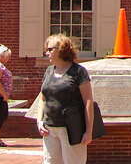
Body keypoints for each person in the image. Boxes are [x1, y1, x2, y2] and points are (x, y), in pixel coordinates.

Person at [37, 34, 93, 164]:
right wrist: (39, 121)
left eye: (50, 49)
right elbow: (42, 98)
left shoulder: (78, 72)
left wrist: (88, 131)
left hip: (72, 129)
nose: (47, 53)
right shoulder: (49, 71)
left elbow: (88, 102)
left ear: (62, 49)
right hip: (49, 129)